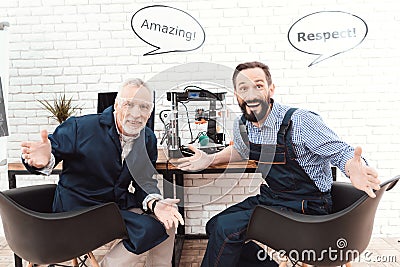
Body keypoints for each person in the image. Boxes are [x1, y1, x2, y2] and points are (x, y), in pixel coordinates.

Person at [176, 61, 380, 267]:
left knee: (225, 229)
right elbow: (240, 150)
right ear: (236, 95)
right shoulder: (243, 125)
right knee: (214, 226)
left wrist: (354, 168)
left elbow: (342, 152)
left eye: (258, 85)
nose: (251, 94)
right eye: (243, 88)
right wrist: (210, 158)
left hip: (306, 207)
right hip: (272, 199)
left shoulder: (300, 121)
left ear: (271, 89)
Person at [21, 78, 184, 267]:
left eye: (144, 107)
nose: (136, 114)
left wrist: (155, 203)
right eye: (129, 104)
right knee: (148, 229)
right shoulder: (80, 127)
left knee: (168, 220)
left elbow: (144, 181)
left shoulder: (148, 138)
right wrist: (43, 160)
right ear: (116, 105)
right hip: (79, 211)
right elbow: (49, 152)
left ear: (151, 111)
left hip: (115, 207)